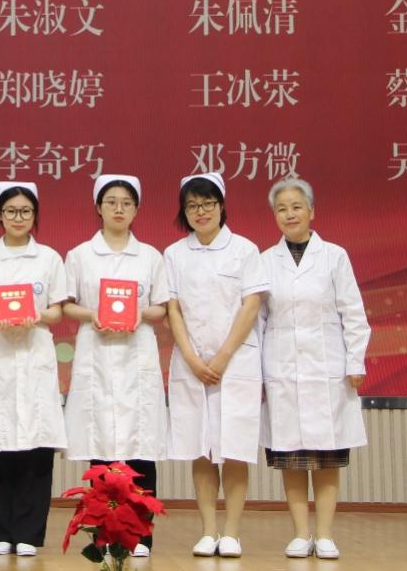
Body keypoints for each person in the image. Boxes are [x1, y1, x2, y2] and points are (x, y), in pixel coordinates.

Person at [260, 176, 370, 560]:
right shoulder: (265, 261)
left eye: (296, 207)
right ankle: (300, 533)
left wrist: (355, 361)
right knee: (290, 456)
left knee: (326, 456)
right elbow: (257, 321)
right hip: (281, 368)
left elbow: (352, 313)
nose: (289, 214)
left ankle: (324, 535)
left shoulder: (335, 256)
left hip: (328, 369)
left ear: (311, 211)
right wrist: (256, 373)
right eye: (281, 209)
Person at [62, 174, 169, 558]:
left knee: (140, 448)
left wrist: (139, 313)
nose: (119, 209)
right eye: (111, 202)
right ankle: (104, 534)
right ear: (99, 207)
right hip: (98, 355)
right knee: (102, 449)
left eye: (126, 203)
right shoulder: (80, 255)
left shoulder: (151, 257)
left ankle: (141, 535)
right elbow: (66, 304)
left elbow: (161, 307)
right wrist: (93, 315)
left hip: (136, 355)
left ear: (136, 209)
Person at [165, 172, 268, 559]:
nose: (201, 211)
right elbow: (173, 308)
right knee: (201, 449)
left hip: (236, 362)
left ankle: (232, 533)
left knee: (235, 448)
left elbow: (251, 305)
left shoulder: (245, 250)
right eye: (192, 205)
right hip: (192, 364)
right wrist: (192, 358)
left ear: (222, 206)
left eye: (207, 203)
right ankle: (208, 531)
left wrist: (223, 356)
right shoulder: (174, 254)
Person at [0, 182, 68, 557]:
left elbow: (57, 310)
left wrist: (33, 316)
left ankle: (29, 533)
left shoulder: (49, 259)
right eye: (11, 211)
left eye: (25, 211)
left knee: (36, 448)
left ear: (34, 215)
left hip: (34, 355)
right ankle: (2, 533)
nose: (18, 217)